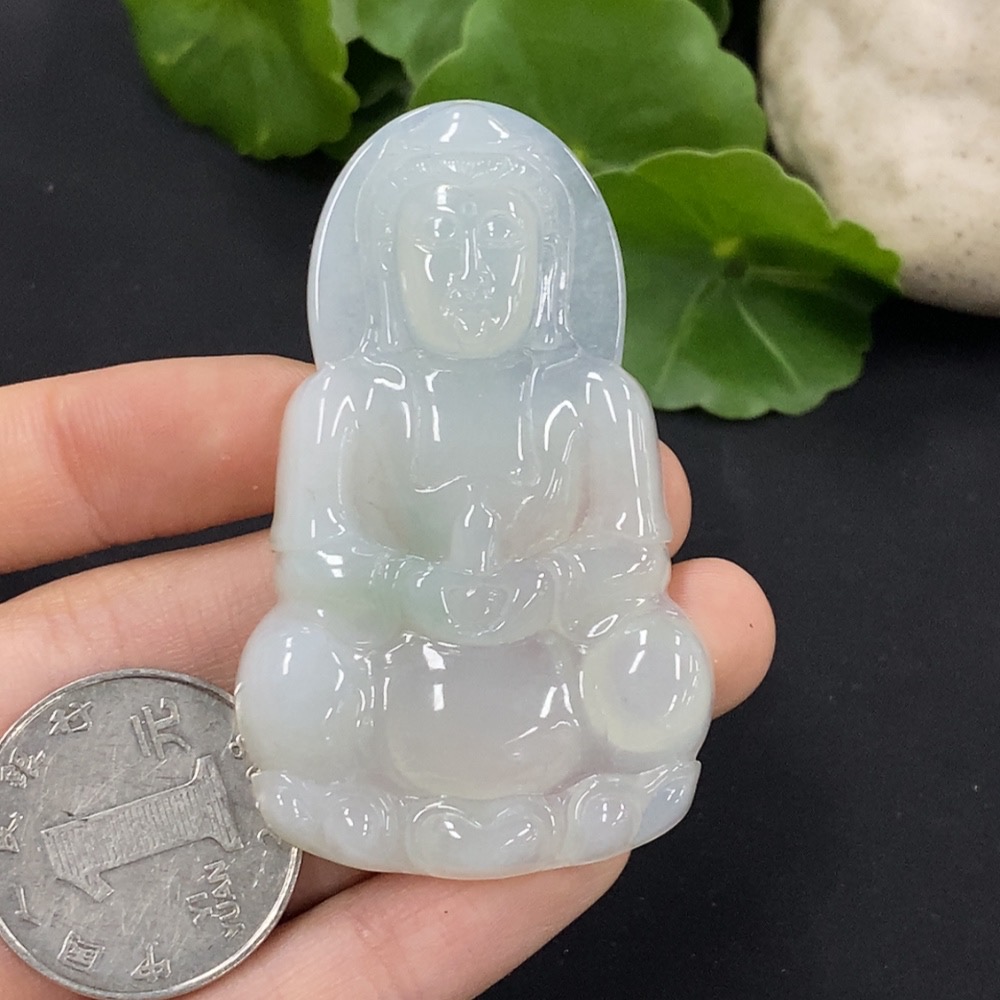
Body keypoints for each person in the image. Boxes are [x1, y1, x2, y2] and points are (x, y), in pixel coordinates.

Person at [0, 355, 773, 998]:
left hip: (550, 669)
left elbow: (631, 562)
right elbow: (317, 566)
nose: (473, 277)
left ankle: (603, 786)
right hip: (395, 676)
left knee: (655, 648)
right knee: (300, 652)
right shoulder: (346, 399)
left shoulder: (596, 397)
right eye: (440, 248)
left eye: (503, 247)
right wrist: (416, 588)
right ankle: (348, 798)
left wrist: (542, 587)